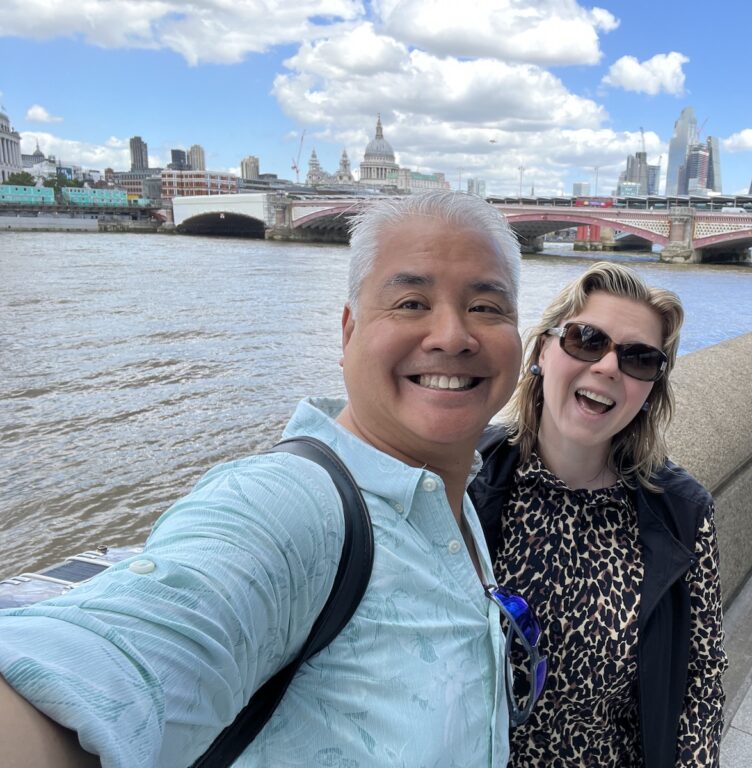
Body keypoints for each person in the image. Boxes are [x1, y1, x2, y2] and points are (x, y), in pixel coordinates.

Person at [0, 191, 534, 766]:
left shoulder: (452, 494)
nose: (452, 336)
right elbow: (109, 658)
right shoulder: (286, 507)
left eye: (486, 307)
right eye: (410, 302)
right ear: (348, 331)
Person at [470, 263, 728, 767]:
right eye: (587, 339)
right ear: (544, 350)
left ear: (651, 389)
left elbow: (701, 676)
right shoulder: (466, 478)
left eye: (639, 358)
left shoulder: (682, 512)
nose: (609, 366)